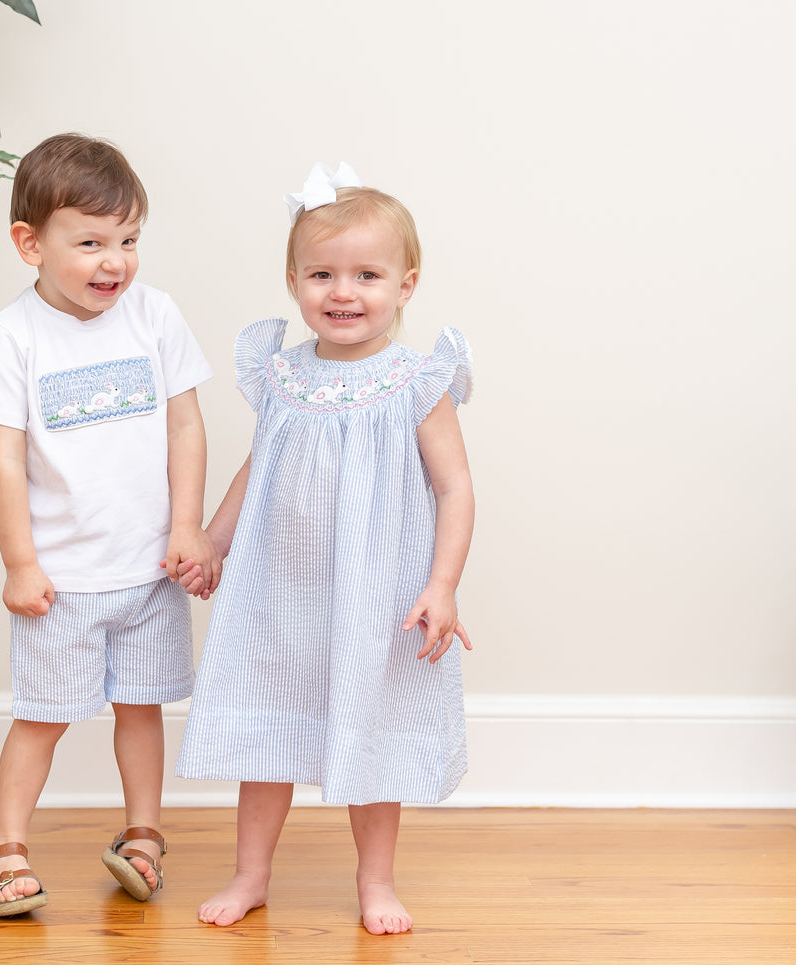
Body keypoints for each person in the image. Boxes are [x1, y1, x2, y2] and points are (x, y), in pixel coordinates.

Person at [174, 162, 476, 935]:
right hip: (282, 587)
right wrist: (213, 538)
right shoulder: (281, 373)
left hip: (377, 589)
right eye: (322, 274)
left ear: (405, 284)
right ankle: (252, 874)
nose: (343, 292)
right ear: (293, 280)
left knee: (369, 733)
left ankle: (375, 881)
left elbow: (455, 489)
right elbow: (260, 465)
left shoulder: (416, 380)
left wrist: (441, 584)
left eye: (366, 274)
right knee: (269, 736)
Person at [0, 133, 215, 917]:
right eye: (91, 242)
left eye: (129, 240)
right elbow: (3, 460)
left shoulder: (154, 315)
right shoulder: (13, 337)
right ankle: (8, 849)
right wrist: (20, 563)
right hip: (61, 580)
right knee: (41, 718)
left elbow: (185, 429)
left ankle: (144, 835)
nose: (115, 262)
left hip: (147, 571)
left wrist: (189, 527)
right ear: (29, 244)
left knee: (142, 709)